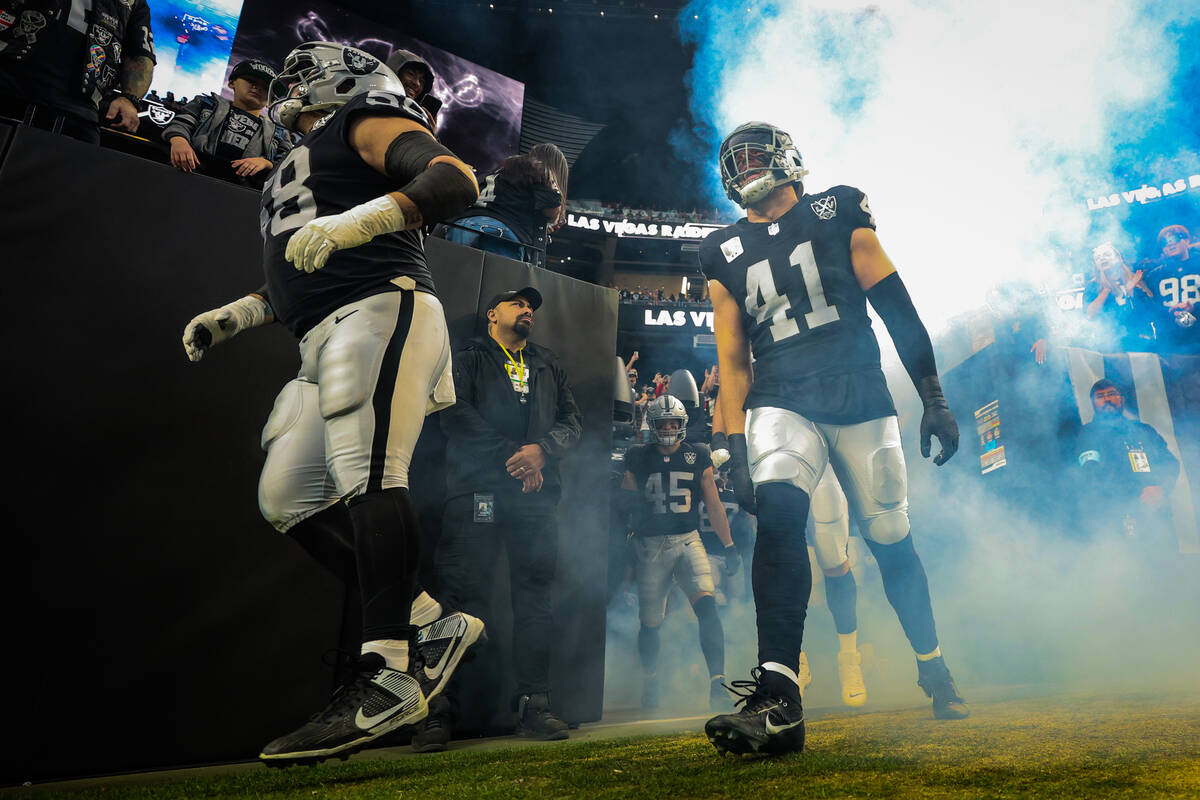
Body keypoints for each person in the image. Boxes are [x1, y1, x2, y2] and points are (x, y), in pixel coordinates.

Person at [179, 41, 483, 764]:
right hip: (323, 330)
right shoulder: (295, 163)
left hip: (380, 307)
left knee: (370, 476)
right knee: (287, 496)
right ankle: (427, 624)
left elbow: (455, 179)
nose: (290, 82)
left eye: (303, 72)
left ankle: (389, 675)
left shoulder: (363, 118)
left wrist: (358, 223)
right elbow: (298, 270)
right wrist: (242, 315)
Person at [700, 121, 967, 757]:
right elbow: (733, 360)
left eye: (756, 156)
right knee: (781, 522)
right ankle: (778, 696)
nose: (745, 167)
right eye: (735, 159)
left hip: (857, 395)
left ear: (789, 160)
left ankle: (933, 666)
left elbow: (898, 311)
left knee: (889, 539)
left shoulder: (838, 208)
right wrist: (732, 445)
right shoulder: (722, 250)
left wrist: (933, 396)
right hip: (781, 399)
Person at [417, 287, 582, 749]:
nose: (527, 309)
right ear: (492, 314)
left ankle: (535, 704)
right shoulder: (467, 358)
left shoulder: (548, 361)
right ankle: (436, 709)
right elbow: (453, 413)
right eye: (516, 303)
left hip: (533, 499)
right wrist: (516, 456)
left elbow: (572, 421)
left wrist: (542, 453)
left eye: (531, 306)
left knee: (535, 600)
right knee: (462, 597)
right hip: (479, 493)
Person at [621, 395, 741, 711]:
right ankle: (651, 679)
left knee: (708, 608)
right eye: (664, 423)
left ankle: (718, 684)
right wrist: (624, 543)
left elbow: (714, 504)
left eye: (674, 422)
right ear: (654, 425)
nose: (670, 428)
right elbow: (627, 503)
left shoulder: (697, 455)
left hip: (689, 541)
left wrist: (729, 546)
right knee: (650, 622)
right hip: (650, 546)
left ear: (683, 424)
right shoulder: (637, 456)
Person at [0, 0, 155, 143]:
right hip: (9, 80)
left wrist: (129, 99)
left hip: (79, 110)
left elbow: (140, 55)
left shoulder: (134, 3)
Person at [435, 143, 569, 269]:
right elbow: (552, 207)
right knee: (497, 289)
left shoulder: (498, 172)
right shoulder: (540, 169)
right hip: (500, 233)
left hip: (461, 227)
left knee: (450, 283)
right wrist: (553, 218)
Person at [1075, 379, 1178, 540]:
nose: (1107, 399)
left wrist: (1160, 487)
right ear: (1093, 403)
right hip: (1113, 519)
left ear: (1121, 399)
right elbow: (1091, 473)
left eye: (1111, 394)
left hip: (1156, 517)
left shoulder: (1143, 429)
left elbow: (1169, 462)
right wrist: (1127, 497)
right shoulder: (1087, 433)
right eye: (1100, 396)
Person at [163, 59, 293, 182]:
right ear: (232, 83)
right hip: (190, 172)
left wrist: (267, 163)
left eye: (265, 88)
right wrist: (179, 141)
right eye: (250, 80)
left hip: (243, 189)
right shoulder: (207, 104)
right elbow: (182, 123)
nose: (257, 87)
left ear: (272, 101)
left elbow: (287, 162)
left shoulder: (278, 132)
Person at [1084, 243, 1155, 350]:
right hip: (1108, 343)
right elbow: (1089, 314)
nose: (1102, 258)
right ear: (1096, 265)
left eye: (1107, 254)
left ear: (1118, 258)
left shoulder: (1134, 278)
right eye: (1098, 258)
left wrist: (1131, 288)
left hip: (1140, 341)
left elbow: (1151, 310)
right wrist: (1106, 289)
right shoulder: (1093, 286)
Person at [1142, 225, 1199, 353]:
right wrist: (1171, 311)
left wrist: (1194, 308)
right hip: (1171, 343)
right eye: (1164, 242)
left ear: (1187, 240)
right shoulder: (1155, 275)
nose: (1170, 244)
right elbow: (1152, 307)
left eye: (1174, 238)